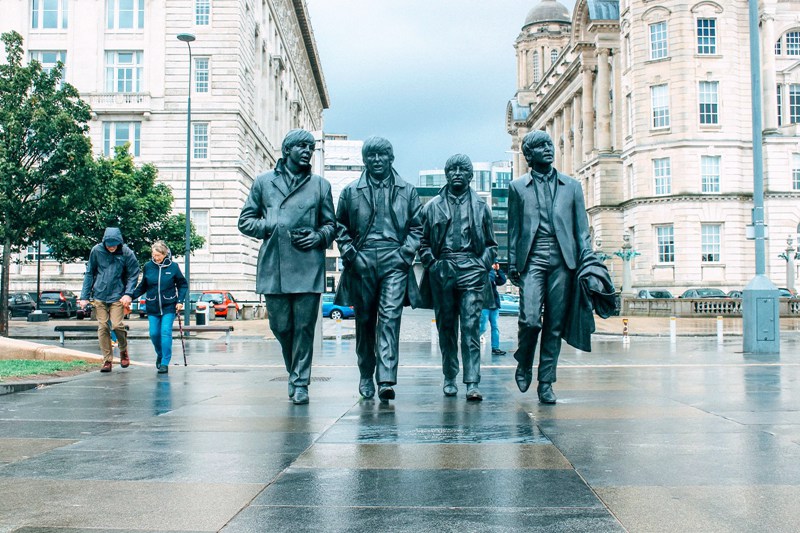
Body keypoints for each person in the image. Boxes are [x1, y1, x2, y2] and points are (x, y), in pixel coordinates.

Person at [238, 129, 336, 405]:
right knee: (281, 326)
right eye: (302, 146)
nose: (307, 151)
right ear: (287, 150)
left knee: (304, 327)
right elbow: (245, 221)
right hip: (275, 265)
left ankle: (301, 382)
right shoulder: (263, 183)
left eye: (311, 147)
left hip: (307, 264)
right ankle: (294, 371)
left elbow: (332, 225)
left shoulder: (320, 185)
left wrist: (319, 236)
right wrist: (269, 225)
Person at [335, 136, 423, 401]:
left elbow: (417, 227)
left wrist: (404, 254)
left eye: (381, 155)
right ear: (364, 160)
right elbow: (341, 228)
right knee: (364, 322)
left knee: (389, 317)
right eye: (371, 156)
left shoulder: (407, 191)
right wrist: (352, 254)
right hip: (361, 261)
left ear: (391, 158)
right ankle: (365, 373)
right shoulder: (350, 191)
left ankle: (386, 378)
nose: (376, 160)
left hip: (394, 261)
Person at [507, 130, 592, 404]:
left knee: (554, 324)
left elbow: (582, 231)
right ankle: (523, 361)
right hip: (532, 258)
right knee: (530, 320)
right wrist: (512, 262)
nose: (548, 149)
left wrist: (587, 261)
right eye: (540, 146)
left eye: (549, 144)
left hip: (563, 260)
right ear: (529, 156)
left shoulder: (573, 186)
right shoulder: (517, 187)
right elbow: (513, 230)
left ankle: (546, 382)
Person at [419, 154, 497, 401]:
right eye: (452, 169)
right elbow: (422, 243)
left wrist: (480, 265)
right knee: (447, 328)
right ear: (446, 174)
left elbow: (491, 245)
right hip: (443, 270)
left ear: (470, 175)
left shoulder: (482, 207)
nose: (457, 173)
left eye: (462, 170)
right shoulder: (431, 207)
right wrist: (433, 264)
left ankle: (472, 382)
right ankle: (450, 376)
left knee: (471, 328)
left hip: (471, 270)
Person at [79, 227, 140, 372]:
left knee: (117, 325)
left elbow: (133, 274)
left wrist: (128, 293)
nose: (111, 247)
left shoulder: (126, 252)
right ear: (104, 242)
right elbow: (89, 273)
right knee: (103, 327)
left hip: (118, 295)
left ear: (119, 242)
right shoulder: (96, 251)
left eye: (114, 244)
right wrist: (84, 297)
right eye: (109, 244)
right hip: (100, 295)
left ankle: (123, 349)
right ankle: (107, 360)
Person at [132, 241, 188, 374]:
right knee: (154, 333)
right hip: (152, 305)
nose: (156, 258)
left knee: (165, 332)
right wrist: (129, 296)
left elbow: (182, 285)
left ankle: (165, 362)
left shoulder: (173, 267)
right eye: (154, 255)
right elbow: (143, 286)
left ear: (164, 254)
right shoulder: (148, 267)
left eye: (158, 255)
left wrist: (180, 300)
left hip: (169, 305)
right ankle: (160, 353)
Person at [479, 262, 507, 356]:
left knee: (495, 327)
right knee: (483, 327)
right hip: (485, 305)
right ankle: (471, 342)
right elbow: (489, 280)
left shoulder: (492, 273)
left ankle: (495, 348)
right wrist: (491, 269)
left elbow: (502, 281)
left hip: (494, 305)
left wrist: (499, 270)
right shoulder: (484, 272)